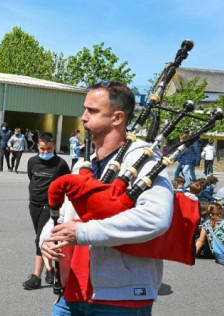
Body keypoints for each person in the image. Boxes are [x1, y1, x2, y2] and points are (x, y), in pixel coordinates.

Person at [40, 81, 174, 315]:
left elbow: (156, 218)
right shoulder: (83, 164)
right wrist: (46, 240)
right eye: (85, 109)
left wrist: (82, 233)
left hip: (121, 298)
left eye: (92, 111)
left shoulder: (146, 161)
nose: (83, 117)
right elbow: (61, 213)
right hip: (73, 290)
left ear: (117, 118)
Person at [23, 132, 70, 290]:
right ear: (38, 146)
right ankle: (51, 271)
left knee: (40, 240)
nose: (45, 152)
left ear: (54, 147)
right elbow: (32, 178)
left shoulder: (60, 164)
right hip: (34, 205)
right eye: (42, 149)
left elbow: (67, 185)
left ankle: (38, 276)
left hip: (50, 207)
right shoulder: (32, 161)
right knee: (42, 239)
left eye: (48, 149)